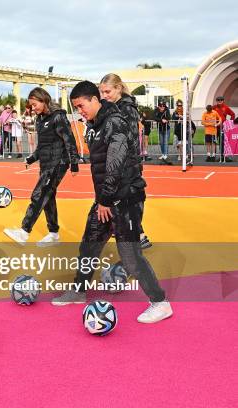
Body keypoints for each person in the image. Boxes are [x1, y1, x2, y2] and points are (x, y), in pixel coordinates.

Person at [53, 80, 172, 324]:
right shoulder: (94, 125)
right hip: (106, 199)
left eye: (81, 105)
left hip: (125, 198)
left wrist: (105, 200)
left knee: (130, 255)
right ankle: (78, 291)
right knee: (89, 244)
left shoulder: (115, 122)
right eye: (76, 108)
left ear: (95, 99)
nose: (79, 111)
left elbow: (115, 165)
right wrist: (103, 200)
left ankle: (160, 303)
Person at [3, 87, 79, 246]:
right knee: (48, 197)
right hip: (45, 164)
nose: (33, 108)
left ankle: (24, 232)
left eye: (34, 104)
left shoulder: (58, 117)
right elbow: (42, 146)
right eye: (30, 106)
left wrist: (74, 163)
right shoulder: (40, 119)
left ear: (43, 100)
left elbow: (69, 139)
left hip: (58, 163)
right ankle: (53, 234)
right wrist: (31, 158)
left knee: (39, 194)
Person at [99, 73, 151, 249]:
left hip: (126, 166)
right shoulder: (116, 108)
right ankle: (138, 236)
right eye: (102, 92)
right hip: (121, 165)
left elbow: (124, 141)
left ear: (118, 89)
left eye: (107, 91)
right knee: (119, 206)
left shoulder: (126, 109)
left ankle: (134, 240)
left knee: (119, 204)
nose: (104, 96)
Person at [213, 96, 236, 162]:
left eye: (221, 100)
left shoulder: (225, 107)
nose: (219, 101)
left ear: (223, 100)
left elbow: (232, 114)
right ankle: (214, 156)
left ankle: (224, 156)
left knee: (223, 142)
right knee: (214, 141)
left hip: (223, 127)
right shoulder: (214, 107)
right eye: (218, 100)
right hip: (215, 127)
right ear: (216, 101)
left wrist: (230, 122)